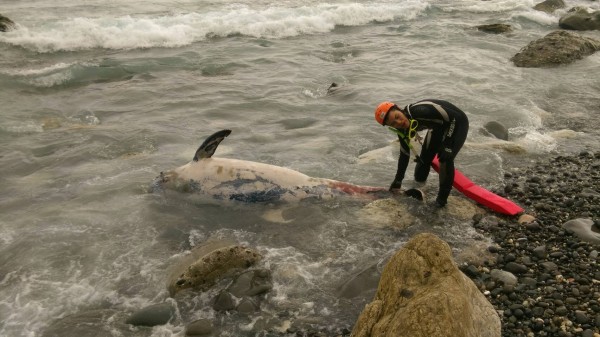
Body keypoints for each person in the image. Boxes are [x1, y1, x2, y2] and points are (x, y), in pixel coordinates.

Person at [374, 99, 469, 207]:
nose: (399, 122)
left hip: (458, 123)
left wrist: (447, 145)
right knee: (422, 165)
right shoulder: (401, 129)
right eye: (393, 123)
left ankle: (441, 202)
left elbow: (455, 117)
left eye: (397, 117)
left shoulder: (420, 111)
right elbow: (404, 154)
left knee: (445, 157)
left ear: (399, 109)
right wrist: (398, 180)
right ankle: (422, 188)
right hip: (438, 128)